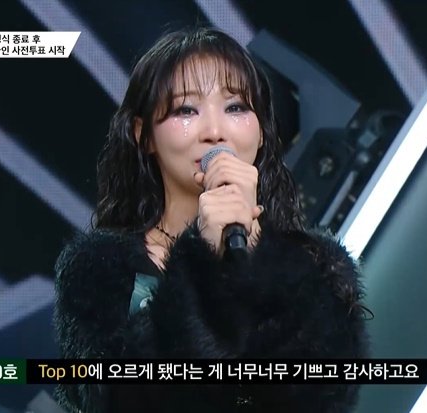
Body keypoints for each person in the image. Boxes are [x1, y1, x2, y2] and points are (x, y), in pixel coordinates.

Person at [53, 26, 369, 413]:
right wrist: (199, 259)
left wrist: (261, 261)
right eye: (186, 110)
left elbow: (325, 395)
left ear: (261, 131)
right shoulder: (99, 268)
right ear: (143, 134)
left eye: (236, 107)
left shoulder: (317, 265)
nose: (215, 132)